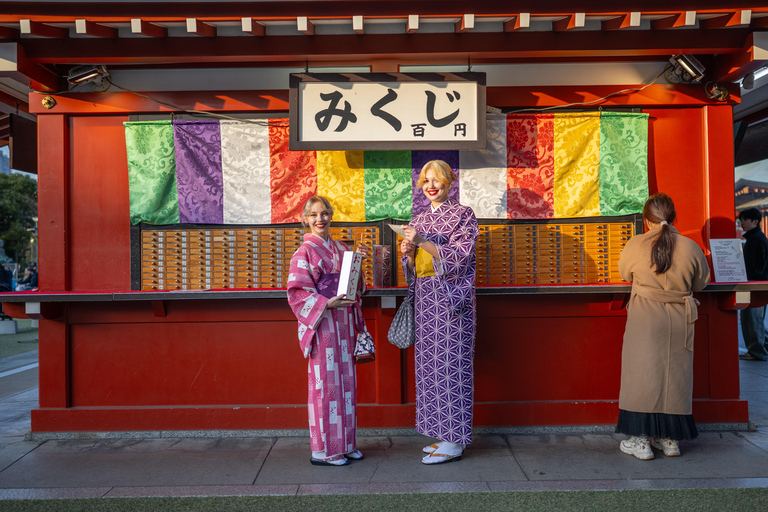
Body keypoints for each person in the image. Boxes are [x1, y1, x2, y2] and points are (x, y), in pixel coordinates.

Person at [615, 193, 710, 460]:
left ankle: (641, 441)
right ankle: (670, 441)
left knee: (642, 377)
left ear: (646, 221)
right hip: (680, 318)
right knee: (674, 378)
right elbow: (701, 282)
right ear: (674, 217)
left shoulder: (635, 245)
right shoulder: (690, 247)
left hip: (645, 319)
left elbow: (624, 273)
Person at [400, 160, 479, 465]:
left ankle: (456, 440)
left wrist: (422, 242)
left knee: (452, 365)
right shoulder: (419, 218)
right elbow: (415, 267)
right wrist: (409, 255)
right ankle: (441, 434)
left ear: (450, 182)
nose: (431, 186)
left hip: (450, 300)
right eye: (426, 181)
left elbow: (461, 258)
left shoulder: (463, 215)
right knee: (430, 367)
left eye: (438, 180)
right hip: (425, 298)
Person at [286, 196, 370, 466]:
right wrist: (326, 302)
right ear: (305, 219)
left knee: (346, 386)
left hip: (343, 323)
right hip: (323, 324)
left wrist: (358, 262)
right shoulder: (304, 253)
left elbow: (356, 284)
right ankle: (324, 451)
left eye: (324, 213)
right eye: (313, 215)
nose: (319, 219)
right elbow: (297, 293)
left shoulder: (341, 247)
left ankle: (345, 444)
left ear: (331, 216)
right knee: (326, 387)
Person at [738, 208, 768, 361]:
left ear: (755, 221)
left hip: (755, 286)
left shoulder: (756, 239)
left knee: (752, 320)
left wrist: (750, 282)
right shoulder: (755, 238)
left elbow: (757, 267)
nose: (741, 223)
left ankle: (757, 351)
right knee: (755, 320)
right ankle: (761, 347)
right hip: (757, 285)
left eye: (745, 220)